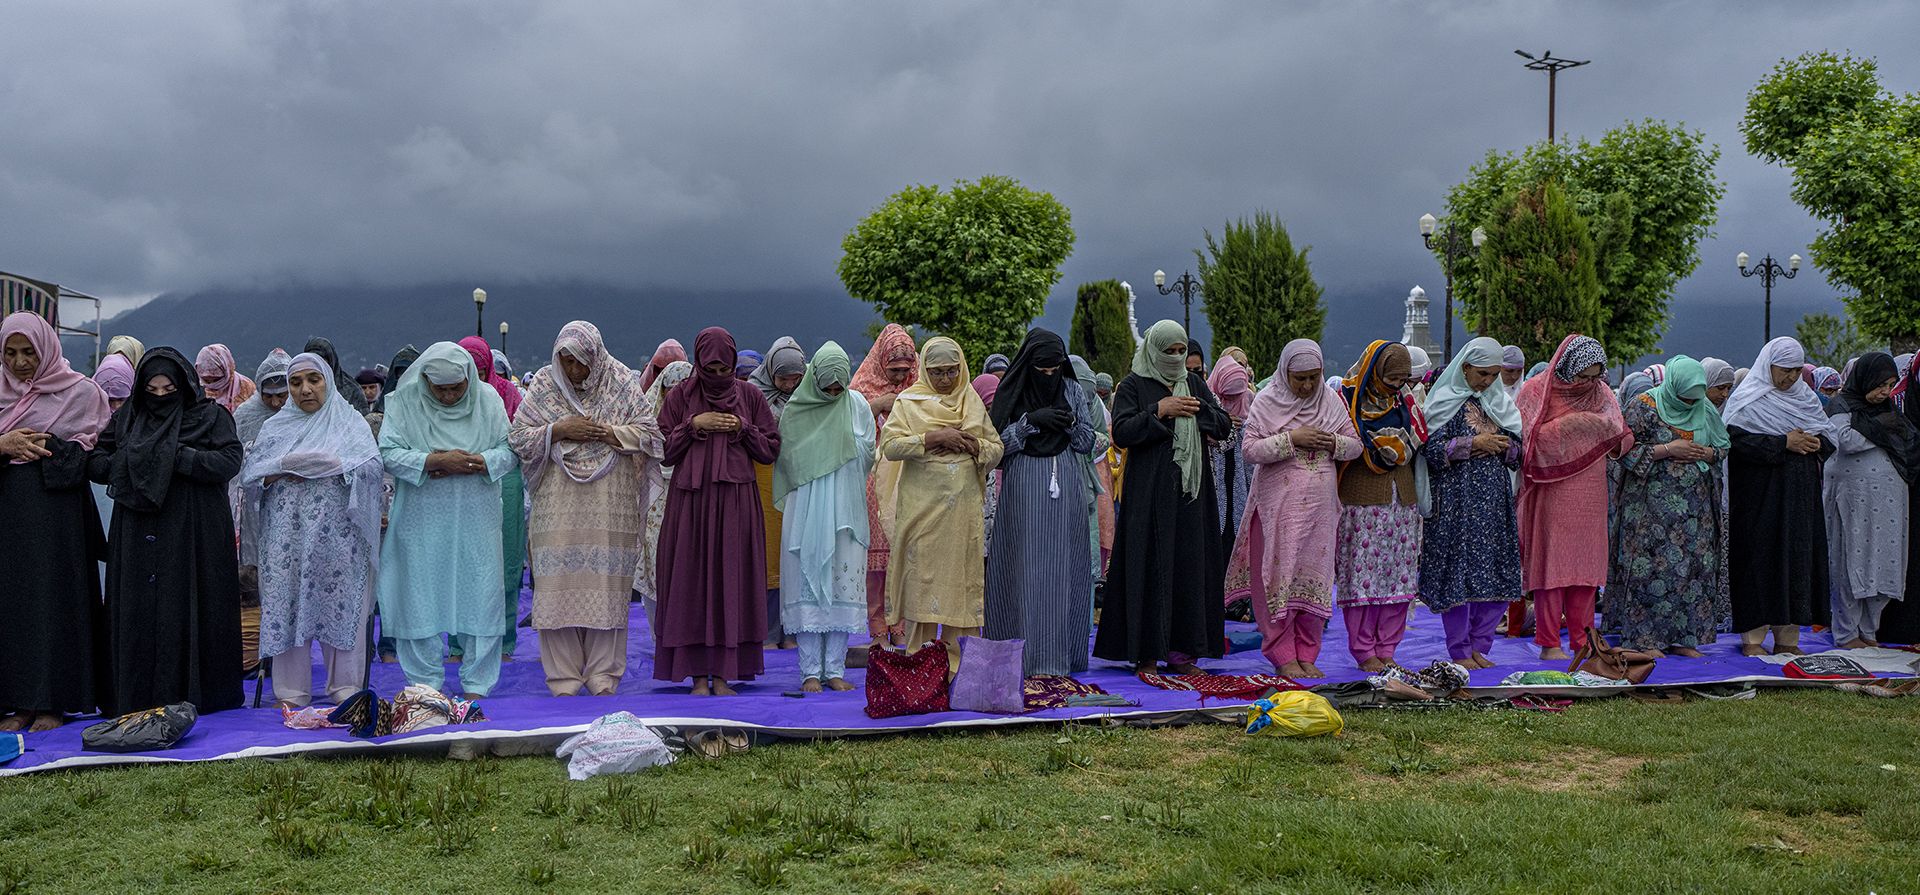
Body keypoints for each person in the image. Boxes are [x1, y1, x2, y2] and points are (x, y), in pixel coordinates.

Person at [89, 347, 245, 715]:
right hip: (139, 530)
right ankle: (138, 692)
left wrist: (178, 457)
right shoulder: (129, 418)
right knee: (140, 610)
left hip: (193, 532)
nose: (160, 398)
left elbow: (229, 460)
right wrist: (129, 462)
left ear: (185, 386)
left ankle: (199, 692)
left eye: (168, 390)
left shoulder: (209, 417)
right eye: (152, 390)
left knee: (190, 602)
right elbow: (96, 461)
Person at [510, 322, 664, 696]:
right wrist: (560, 430)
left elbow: (651, 433)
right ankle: (562, 677)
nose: (575, 371)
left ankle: (603, 675)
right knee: (558, 585)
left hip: (610, 503)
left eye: (582, 362)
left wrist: (610, 434)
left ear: (596, 357)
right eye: (567, 361)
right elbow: (518, 436)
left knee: (606, 585)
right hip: (557, 503)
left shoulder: (621, 383)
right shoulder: (546, 384)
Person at [240, 353, 382, 707]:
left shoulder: (349, 424)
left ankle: (345, 687)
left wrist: (335, 465)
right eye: (296, 382)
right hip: (287, 538)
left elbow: (372, 468)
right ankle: (291, 691)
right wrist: (283, 466)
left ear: (327, 382)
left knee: (341, 601)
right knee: (286, 604)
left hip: (339, 538)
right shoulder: (275, 428)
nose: (304, 389)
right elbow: (252, 476)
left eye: (313, 380)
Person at [376, 342, 516, 698]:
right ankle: (424, 686)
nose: (450, 395)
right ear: (424, 381)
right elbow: (388, 452)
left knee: (481, 595)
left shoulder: (488, 400)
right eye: (441, 389)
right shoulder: (404, 402)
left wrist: (481, 462)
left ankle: (477, 686)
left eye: (457, 387)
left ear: (470, 377)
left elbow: (509, 449)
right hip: (421, 520)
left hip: (476, 518)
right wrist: (431, 462)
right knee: (419, 595)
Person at [1094, 321, 1233, 674]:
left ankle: (1184, 653)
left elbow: (1223, 424)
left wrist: (1198, 410)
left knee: (1189, 569)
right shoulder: (1133, 385)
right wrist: (1160, 410)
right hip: (1148, 499)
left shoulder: (1195, 383)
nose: (1175, 358)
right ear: (1153, 350)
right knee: (1150, 567)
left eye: (1180, 351)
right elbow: (1122, 432)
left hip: (1191, 499)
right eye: (1168, 351)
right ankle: (1146, 655)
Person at [0, 313, 111, 732]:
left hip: (57, 515)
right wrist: (3, 443)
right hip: (7, 514)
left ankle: (55, 701)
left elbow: (94, 454)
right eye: (10, 352)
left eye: (29, 352)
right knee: (12, 605)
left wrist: (53, 447)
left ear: (47, 349)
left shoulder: (81, 393)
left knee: (56, 603)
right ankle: (16, 701)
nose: (20, 362)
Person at [654, 327, 780, 695]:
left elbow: (770, 448)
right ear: (697, 364)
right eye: (710, 368)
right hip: (690, 506)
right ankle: (696, 676)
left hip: (735, 505)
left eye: (725, 369)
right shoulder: (680, 396)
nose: (719, 376)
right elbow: (662, 448)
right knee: (691, 583)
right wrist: (694, 425)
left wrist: (743, 428)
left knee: (731, 581)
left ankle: (725, 674)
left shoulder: (751, 396)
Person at [1226, 339, 1361, 678]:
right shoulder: (1267, 402)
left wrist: (1332, 442)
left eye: (1313, 377)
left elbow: (1355, 446)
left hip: (1320, 513)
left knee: (1313, 579)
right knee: (1278, 578)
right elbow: (1250, 449)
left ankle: (1307, 653)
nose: (1307, 385)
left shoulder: (1330, 402)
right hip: (1277, 513)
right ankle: (1283, 654)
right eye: (1299, 378)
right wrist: (1292, 440)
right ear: (1285, 373)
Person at [881, 337, 1003, 672]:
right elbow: (891, 446)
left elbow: (996, 448)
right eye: (937, 372)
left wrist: (973, 445)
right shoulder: (909, 401)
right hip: (922, 513)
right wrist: (932, 438)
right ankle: (921, 672)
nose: (945, 379)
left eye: (951, 371)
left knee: (959, 590)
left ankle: (959, 673)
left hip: (961, 517)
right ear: (925, 370)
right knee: (923, 587)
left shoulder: (970, 400)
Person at [985, 330, 1095, 677]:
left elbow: (1087, 441)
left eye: (1054, 369)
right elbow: (996, 446)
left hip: (1065, 481)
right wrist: (1029, 423)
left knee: (1064, 568)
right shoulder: (1012, 391)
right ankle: (1019, 656)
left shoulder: (1072, 389)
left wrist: (1071, 423)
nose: (1049, 376)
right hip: (1023, 488)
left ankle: (1061, 655)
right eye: (1041, 370)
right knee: (1024, 567)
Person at [1516, 335, 1633, 660]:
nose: (1588, 383)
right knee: (1553, 566)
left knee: (1585, 568)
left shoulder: (1601, 393)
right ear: (1567, 368)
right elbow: (1526, 439)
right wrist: (1577, 426)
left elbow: (1621, 435)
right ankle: (1550, 643)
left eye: (1595, 376)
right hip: (1552, 489)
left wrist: (1600, 432)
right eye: (1583, 376)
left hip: (1591, 490)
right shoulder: (1537, 391)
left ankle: (1583, 643)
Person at [1608, 356, 1728, 656]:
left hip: (1693, 512)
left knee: (1690, 569)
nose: (1690, 405)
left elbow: (1723, 446)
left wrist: (1707, 453)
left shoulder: (1704, 408)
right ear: (1672, 387)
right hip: (1649, 511)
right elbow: (1621, 450)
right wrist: (1667, 450)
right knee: (1649, 569)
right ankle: (1645, 640)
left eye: (1694, 400)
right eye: (1685, 399)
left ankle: (1683, 637)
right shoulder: (1643, 407)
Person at [773, 342, 875, 691]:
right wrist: (835, 444)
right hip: (806, 509)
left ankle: (835, 671)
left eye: (838, 388)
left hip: (845, 507)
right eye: (827, 387)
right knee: (807, 585)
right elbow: (788, 460)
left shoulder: (857, 404)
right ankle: (809, 673)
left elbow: (868, 452)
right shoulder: (796, 410)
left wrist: (838, 440)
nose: (833, 393)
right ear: (814, 379)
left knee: (840, 586)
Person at [1724, 336, 1835, 656]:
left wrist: (1816, 444)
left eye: (1796, 370)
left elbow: (1826, 436)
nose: (1790, 377)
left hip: (1800, 500)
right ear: (1767, 365)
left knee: (1796, 563)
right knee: (1759, 562)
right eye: (1784, 369)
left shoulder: (1806, 398)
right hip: (1759, 500)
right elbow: (1734, 442)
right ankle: (1753, 641)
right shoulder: (1748, 399)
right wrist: (1782, 443)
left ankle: (1788, 639)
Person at [1418, 337, 1524, 669]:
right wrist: (1472, 443)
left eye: (1494, 375)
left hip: (1493, 505)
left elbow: (1520, 454)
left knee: (1496, 576)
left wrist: (1506, 447)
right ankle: (1460, 651)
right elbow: (1430, 452)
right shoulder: (1443, 401)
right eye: (1482, 374)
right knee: (1457, 578)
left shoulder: (1500, 403)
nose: (1488, 381)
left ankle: (1481, 646)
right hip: (1455, 506)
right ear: (1464, 367)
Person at [1334, 341, 1425, 672]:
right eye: (1391, 381)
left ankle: (1388, 648)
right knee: (1362, 578)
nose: (1397, 388)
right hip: (1361, 502)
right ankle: (1364, 650)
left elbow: (1418, 440)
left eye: (1403, 381)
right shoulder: (1347, 402)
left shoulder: (1405, 404)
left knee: (1398, 580)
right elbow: (1342, 446)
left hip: (1401, 502)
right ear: (1374, 372)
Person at [1822, 352, 1915, 648]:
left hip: (1888, 502)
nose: (1885, 392)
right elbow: (1844, 440)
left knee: (1882, 562)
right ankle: (1847, 632)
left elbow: (1907, 440)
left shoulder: (1889, 409)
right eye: (1880, 385)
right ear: (1865, 379)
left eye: (1890, 385)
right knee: (1850, 559)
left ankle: (1869, 630)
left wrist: (1884, 429)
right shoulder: (1842, 404)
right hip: (1852, 499)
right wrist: (1882, 430)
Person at [457, 336, 526, 661]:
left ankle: (503, 641)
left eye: (480, 367)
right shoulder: (449, 395)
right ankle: (458, 643)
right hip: (460, 478)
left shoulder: (507, 393)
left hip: (502, 477)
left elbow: (517, 439)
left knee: (505, 561)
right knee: (462, 563)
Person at [850, 323, 919, 647]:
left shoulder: (919, 389)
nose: (898, 376)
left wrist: (904, 404)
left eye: (904, 369)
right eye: (893, 369)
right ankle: (878, 628)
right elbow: (849, 428)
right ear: (881, 363)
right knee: (876, 566)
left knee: (903, 561)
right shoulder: (861, 389)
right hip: (873, 483)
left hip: (908, 481)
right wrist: (877, 406)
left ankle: (901, 626)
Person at [749, 337, 807, 650]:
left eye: (796, 379)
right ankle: (769, 632)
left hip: (800, 480)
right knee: (770, 554)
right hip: (765, 479)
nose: (789, 384)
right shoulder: (754, 394)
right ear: (770, 373)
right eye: (783, 378)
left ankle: (794, 631)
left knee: (797, 552)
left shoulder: (811, 395)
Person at [634, 360, 693, 631]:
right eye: (670, 389)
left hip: (690, 495)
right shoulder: (649, 422)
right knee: (656, 559)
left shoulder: (701, 421)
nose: (676, 395)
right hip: (656, 499)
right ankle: (660, 631)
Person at [1208, 355, 1255, 552]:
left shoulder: (1252, 401)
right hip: (1215, 477)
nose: (1233, 401)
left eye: (1238, 396)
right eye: (1228, 397)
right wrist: (1221, 423)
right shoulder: (1208, 402)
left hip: (1239, 477)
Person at [233, 350, 293, 445]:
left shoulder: (303, 409)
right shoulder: (245, 415)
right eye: (268, 396)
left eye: (281, 395)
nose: (275, 402)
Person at [303, 337, 370, 413]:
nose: (319, 366)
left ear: (331, 361)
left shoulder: (351, 391)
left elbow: (361, 421)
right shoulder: (300, 387)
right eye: (314, 361)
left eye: (322, 361)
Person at [195, 344, 256, 413]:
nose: (212, 385)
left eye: (217, 380)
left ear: (227, 370)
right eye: (206, 380)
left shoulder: (245, 387)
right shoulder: (195, 389)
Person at [372, 345, 419, 415]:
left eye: (407, 372)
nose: (403, 377)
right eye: (400, 373)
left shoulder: (429, 400)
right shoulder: (384, 403)